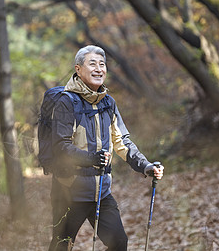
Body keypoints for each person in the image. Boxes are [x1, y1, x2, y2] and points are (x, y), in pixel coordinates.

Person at [48, 45, 164, 251]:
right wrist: (91, 158)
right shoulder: (66, 103)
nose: (99, 68)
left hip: (100, 192)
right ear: (78, 69)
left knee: (119, 242)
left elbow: (123, 143)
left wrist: (146, 166)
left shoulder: (108, 103)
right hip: (68, 192)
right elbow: (61, 147)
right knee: (61, 246)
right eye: (92, 63)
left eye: (102, 64)